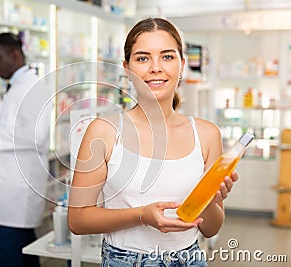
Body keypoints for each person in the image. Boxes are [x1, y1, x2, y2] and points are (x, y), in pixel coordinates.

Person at [67, 17, 239, 267]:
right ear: (127, 68)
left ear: (181, 65)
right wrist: (141, 216)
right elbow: (77, 220)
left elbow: (211, 229)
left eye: (167, 57)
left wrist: (209, 201)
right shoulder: (103, 131)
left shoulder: (206, 134)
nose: (155, 67)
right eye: (143, 58)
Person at [0, 32, 52, 267]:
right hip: (11, 186)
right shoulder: (16, 86)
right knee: (24, 249)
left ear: (15, 54)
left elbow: (36, 135)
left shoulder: (33, 87)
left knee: (10, 252)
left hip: (18, 189)